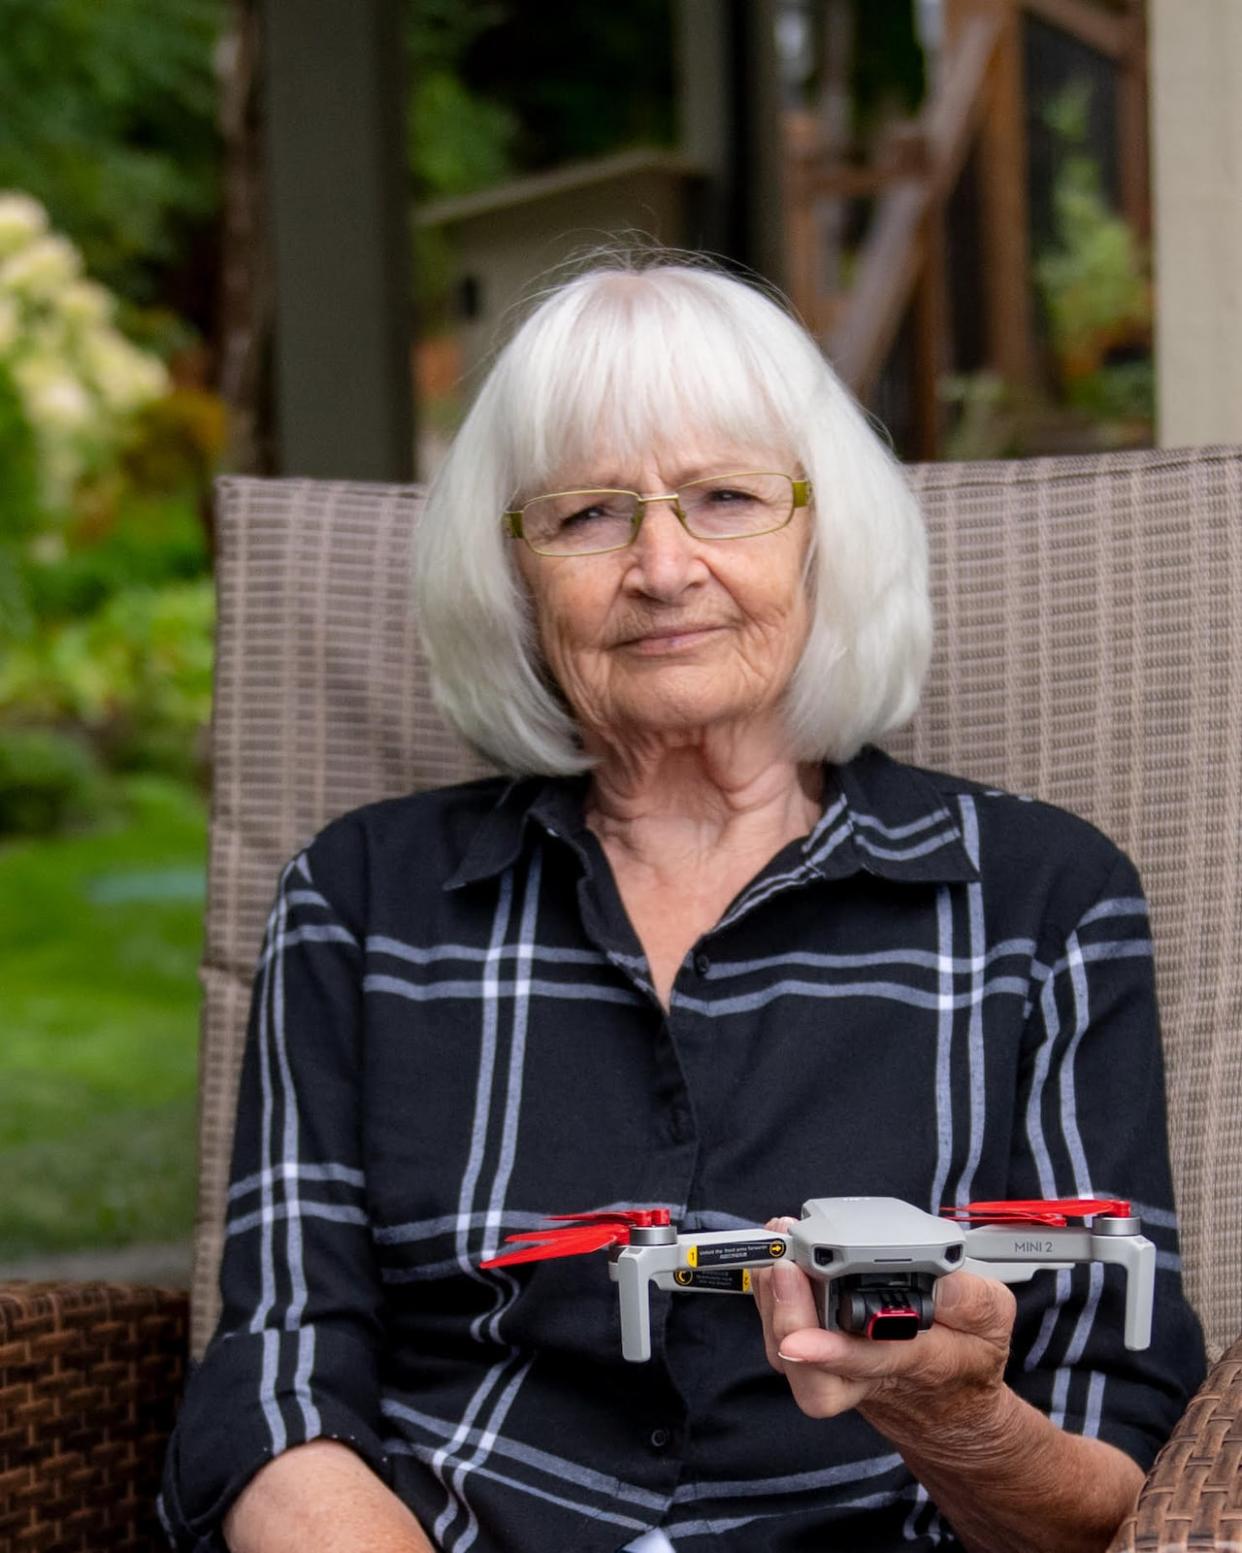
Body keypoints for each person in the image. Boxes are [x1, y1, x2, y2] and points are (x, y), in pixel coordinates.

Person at [159, 256, 1204, 1553]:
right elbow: (276, 1379)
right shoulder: (362, 895)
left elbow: (1124, 1464)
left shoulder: (1042, 898)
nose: (662, 565)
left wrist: (957, 1419)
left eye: (723, 497)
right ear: (514, 574)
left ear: (826, 532)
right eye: (588, 513)